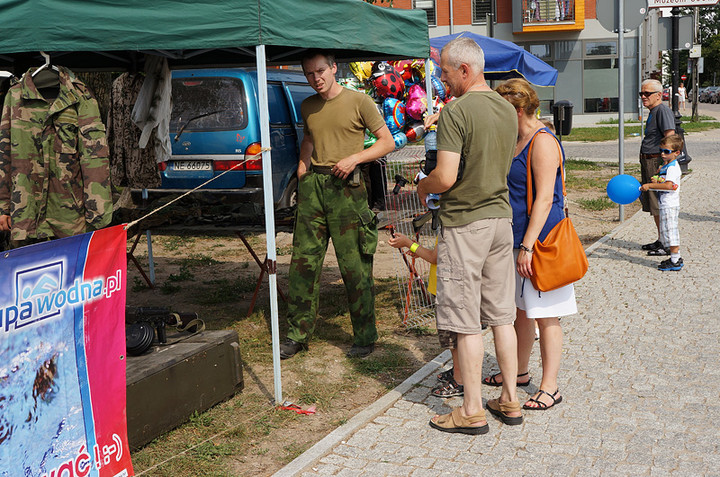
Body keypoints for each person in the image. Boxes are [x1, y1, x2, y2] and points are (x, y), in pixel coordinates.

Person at [417, 37, 521, 434]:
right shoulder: (506, 108)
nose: (441, 79)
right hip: (500, 219)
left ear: (464, 70)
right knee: (501, 317)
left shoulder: (455, 112)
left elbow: (445, 177)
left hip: (465, 222)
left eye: (444, 71)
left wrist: (423, 186)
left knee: (465, 322)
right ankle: (510, 399)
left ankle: (472, 409)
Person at [279, 50, 394, 360]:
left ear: (333, 68)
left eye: (320, 71)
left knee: (355, 265)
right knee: (303, 264)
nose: (316, 78)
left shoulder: (359, 101)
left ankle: (365, 336)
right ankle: (296, 335)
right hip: (314, 188)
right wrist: (303, 169)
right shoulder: (308, 105)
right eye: (309, 74)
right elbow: (309, 139)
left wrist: (355, 158)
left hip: (348, 189)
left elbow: (387, 142)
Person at [485, 78, 578, 411]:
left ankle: (550, 386)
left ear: (519, 109)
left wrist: (526, 246)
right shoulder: (517, 139)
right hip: (518, 238)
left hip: (541, 241)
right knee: (521, 312)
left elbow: (543, 200)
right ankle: (520, 372)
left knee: (546, 316)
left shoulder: (542, 141)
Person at [638, 79, 676, 257]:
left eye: (647, 94)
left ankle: (667, 243)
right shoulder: (654, 111)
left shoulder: (662, 110)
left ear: (659, 95)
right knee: (653, 205)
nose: (643, 97)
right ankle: (661, 239)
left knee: (658, 205)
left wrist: (665, 165)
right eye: (641, 94)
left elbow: (670, 137)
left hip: (655, 162)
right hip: (649, 160)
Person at [640, 134, 684, 271]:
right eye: (661, 151)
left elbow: (670, 186)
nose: (663, 154)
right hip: (665, 203)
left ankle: (676, 260)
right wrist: (658, 180)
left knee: (671, 232)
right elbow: (665, 182)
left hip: (670, 204)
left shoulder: (672, 168)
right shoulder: (667, 166)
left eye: (666, 151)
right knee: (666, 231)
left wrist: (650, 186)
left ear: (676, 153)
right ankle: (673, 257)